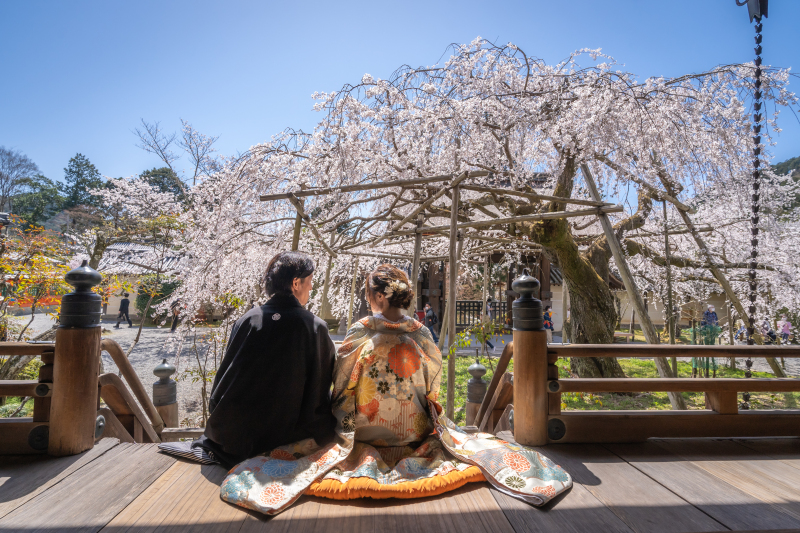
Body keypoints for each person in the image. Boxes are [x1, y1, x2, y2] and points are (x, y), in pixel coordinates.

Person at [220, 263, 572, 515]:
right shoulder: (422, 334)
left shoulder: (360, 332)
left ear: (376, 296)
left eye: (367, 293)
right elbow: (432, 387)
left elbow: (341, 385)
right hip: (414, 432)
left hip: (363, 432)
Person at [186, 251, 337, 468]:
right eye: (310, 281)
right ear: (296, 283)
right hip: (287, 438)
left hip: (235, 437)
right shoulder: (314, 326)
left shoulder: (248, 319)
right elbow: (320, 388)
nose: (311, 288)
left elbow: (224, 380)